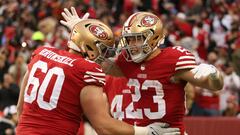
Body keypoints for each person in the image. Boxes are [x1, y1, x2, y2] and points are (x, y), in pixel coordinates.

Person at [61, 9, 223, 135]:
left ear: (154, 38)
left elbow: (212, 85)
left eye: (137, 38)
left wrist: (214, 75)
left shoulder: (172, 59)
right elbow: (96, 61)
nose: (131, 44)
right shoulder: (127, 61)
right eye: (129, 38)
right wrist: (81, 33)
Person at [16, 10, 180, 135]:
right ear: (89, 47)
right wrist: (145, 131)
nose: (105, 57)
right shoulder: (87, 69)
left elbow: (20, 108)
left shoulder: (41, 53)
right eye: (103, 50)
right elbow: (103, 126)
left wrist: (81, 29)